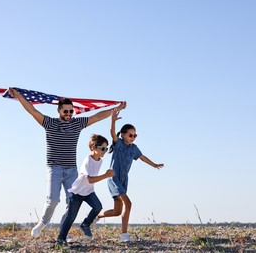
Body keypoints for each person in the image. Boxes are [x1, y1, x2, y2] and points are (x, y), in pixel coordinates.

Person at [8, 87, 126, 238]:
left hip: (71, 170)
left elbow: (96, 116)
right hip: (54, 168)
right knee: (53, 200)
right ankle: (43, 222)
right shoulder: (49, 123)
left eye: (71, 111)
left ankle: (64, 232)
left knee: (71, 203)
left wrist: (116, 108)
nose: (69, 114)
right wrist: (18, 96)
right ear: (59, 111)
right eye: (66, 111)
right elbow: (32, 111)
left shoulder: (76, 124)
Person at [96, 109, 163, 242]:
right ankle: (124, 235)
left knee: (117, 211)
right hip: (114, 178)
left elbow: (142, 157)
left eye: (135, 135)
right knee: (129, 203)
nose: (133, 137)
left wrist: (154, 165)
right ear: (123, 135)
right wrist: (113, 121)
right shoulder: (119, 143)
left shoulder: (134, 148)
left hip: (123, 180)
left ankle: (96, 216)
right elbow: (112, 134)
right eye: (130, 135)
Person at [56, 134, 115, 246]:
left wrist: (106, 174)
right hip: (77, 192)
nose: (104, 151)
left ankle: (85, 224)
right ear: (93, 147)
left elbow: (91, 182)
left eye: (106, 149)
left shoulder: (100, 161)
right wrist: (106, 175)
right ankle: (61, 238)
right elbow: (90, 180)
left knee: (97, 206)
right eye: (102, 148)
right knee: (71, 217)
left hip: (88, 191)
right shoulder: (87, 161)